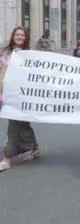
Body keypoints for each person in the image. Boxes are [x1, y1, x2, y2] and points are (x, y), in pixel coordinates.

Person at [0, 27, 40, 172]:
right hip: (9, 93)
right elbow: (3, 72)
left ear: (26, 38)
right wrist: (2, 91)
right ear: (13, 37)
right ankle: (34, 148)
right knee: (22, 123)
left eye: (22, 35)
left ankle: (7, 157)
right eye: (17, 34)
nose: (19, 37)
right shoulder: (7, 53)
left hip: (22, 94)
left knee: (14, 125)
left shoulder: (29, 54)